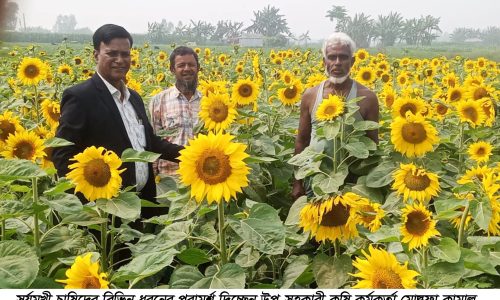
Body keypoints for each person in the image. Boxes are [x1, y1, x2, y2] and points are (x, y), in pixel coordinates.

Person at [52, 24, 183, 218]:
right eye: (112, 54)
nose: (120, 60)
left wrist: (192, 156)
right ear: (96, 55)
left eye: (125, 54)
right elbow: (62, 153)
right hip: (103, 208)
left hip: (138, 204)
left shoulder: (134, 98)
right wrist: (90, 197)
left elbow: (149, 143)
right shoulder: (81, 97)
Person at [292, 32, 379, 200]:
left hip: (351, 184)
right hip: (315, 179)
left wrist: (367, 184)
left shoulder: (367, 98)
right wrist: (297, 182)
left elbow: (372, 145)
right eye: (332, 57)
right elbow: (302, 141)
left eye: (343, 57)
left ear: (352, 61)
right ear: (324, 62)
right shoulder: (310, 95)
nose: (337, 63)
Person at [149, 46, 202, 176]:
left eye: (191, 65)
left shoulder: (210, 103)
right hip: (170, 178)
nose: (187, 69)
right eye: (181, 65)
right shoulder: (159, 101)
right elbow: (153, 143)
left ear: (198, 68)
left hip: (202, 177)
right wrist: (154, 179)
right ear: (172, 69)